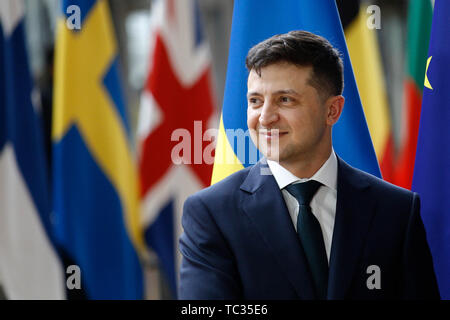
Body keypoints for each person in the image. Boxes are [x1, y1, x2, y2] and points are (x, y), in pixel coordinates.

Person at [178, 31, 440, 300]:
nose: (265, 117)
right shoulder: (211, 214)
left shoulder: (396, 211)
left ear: (332, 111)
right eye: (255, 101)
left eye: (285, 100)